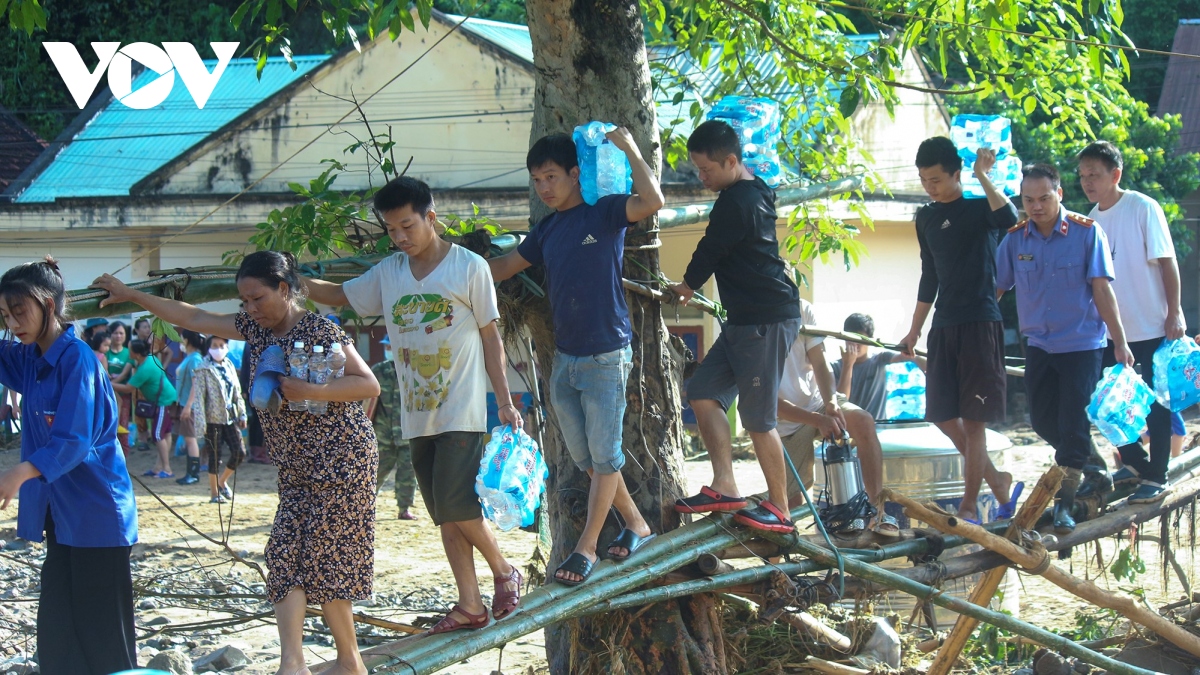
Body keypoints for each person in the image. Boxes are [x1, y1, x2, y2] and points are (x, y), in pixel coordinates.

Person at [92, 250, 381, 675]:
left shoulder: (319, 329)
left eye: (257, 298)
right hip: (297, 466)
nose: (249, 309)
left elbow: (367, 383)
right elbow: (193, 317)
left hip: (342, 461)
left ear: (285, 289)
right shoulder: (253, 328)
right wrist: (129, 293)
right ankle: (293, 664)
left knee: (326, 559)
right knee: (283, 557)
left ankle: (349, 662)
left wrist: (309, 391)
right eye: (243, 301)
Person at [303, 176, 524, 633]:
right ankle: (469, 604)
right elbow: (342, 296)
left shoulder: (469, 267)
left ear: (431, 217)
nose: (400, 237)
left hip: (462, 408)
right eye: (391, 229)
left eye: (407, 226)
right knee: (444, 513)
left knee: (457, 505)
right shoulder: (389, 273)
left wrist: (503, 400)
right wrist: (296, 283)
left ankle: (504, 571)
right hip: (416, 413)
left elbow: (490, 336)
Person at [488, 128, 663, 584]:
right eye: (537, 180)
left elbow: (653, 200)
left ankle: (586, 548)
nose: (544, 187)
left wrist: (629, 149)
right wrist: (440, 261)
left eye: (551, 176)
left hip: (606, 354)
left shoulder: (603, 213)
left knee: (605, 457)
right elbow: (502, 268)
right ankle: (637, 524)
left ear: (574, 173)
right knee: (589, 459)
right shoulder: (546, 229)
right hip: (564, 359)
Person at [0, 257, 138, 675]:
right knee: (57, 633)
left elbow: (74, 440)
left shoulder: (79, 360)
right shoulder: (29, 358)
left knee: (104, 638)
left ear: (48, 303)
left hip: (97, 514)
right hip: (60, 515)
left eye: (19, 311)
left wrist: (18, 474)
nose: (13, 323)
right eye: (5, 316)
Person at [667, 119, 803, 534]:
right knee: (704, 391)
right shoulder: (754, 190)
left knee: (758, 418)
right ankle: (726, 485)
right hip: (742, 321)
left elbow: (711, 249)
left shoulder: (738, 201)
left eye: (706, 170)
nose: (701, 177)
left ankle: (780, 508)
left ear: (731, 161)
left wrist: (687, 286)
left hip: (764, 318)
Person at [996, 163, 1134, 532]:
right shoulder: (1015, 239)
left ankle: (1064, 504)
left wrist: (1119, 341)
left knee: (1073, 423)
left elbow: (1103, 290)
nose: (1036, 206)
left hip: (1082, 343)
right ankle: (1093, 467)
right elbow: (996, 288)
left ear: (1059, 194)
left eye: (1043, 198)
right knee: (1042, 420)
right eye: (1028, 200)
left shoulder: (1087, 234)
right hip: (1039, 343)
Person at [897, 138, 1020, 523]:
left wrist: (983, 175)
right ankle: (998, 481)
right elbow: (928, 276)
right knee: (942, 415)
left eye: (935, 179)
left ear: (956, 173)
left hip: (980, 322)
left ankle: (969, 506)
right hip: (944, 325)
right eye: (923, 180)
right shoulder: (926, 217)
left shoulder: (981, 208)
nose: (929, 186)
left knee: (974, 419)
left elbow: (1010, 218)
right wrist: (913, 331)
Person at [1077, 140, 1184, 504]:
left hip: (1151, 324)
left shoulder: (1142, 207)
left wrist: (1175, 312)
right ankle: (1137, 463)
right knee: (1104, 405)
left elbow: (1167, 261)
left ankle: (1159, 476)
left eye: (1095, 174)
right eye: (1083, 175)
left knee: (1156, 404)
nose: (1088, 181)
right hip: (1108, 332)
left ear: (1115, 174)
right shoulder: (1090, 220)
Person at [776, 299, 896, 535]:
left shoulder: (802, 308)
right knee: (790, 503)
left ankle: (877, 511)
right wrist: (817, 420)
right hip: (784, 422)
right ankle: (779, 565)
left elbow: (820, 363)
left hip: (819, 401)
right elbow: (765, 403)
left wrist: (830, 402)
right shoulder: (749, 318)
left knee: (863, 421)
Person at [831, 313, 924, 421]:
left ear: (870, 340)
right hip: (849, 429)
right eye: (850, 338)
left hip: (878, 427)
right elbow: (840, 403)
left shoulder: (879, 360)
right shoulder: (835, 367)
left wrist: (921, 361)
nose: (854, 344)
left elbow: (908, 356)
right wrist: (848, 365)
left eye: (859, 339)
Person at [193, 335, 248, 504]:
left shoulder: (229, 365)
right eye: (215, 345)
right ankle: (214, 493)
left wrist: (242, 413)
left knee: (239, 452)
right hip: (212, 419)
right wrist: (201, 422)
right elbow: (199, 398)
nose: (219, 349)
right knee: (214, 457)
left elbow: (237, 393)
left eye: (222, 345)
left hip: (230, 417)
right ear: (209, 348)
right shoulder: (203, 368)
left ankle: (222, 481)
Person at [367, 335, 417, 520]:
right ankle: (365, 506)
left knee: (408, 474)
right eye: (386, 346)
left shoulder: (413, 371)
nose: (387, 349)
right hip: (382, 434)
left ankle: (404, 508)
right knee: (374, 473)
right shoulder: (378, 371)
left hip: (407, 434)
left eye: (390, 345)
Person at [128, 338, 178, 478]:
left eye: (130, 349)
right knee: (166, 433)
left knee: (157, 434)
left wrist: (107, 382)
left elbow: (128, 388)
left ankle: (167, 469)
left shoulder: (145, 368)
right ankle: (158, 467)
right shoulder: (149, 358)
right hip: (166, 398)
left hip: (162, 400)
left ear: (136, 354)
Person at [173, 329, 207, 486]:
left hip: (190, 405)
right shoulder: (191, 358)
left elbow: (196, 384)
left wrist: (188, 406)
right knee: (189, 439)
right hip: (185, 403)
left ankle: (193, 473)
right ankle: (191, 472)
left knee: (191, 439)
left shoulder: (194, 359)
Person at [106, 320, 134, 456]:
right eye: (115, 333)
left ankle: (124, 454)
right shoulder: (105, 352)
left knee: (122, 425)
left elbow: (124, 375)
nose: (118, 336)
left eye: (121, 333)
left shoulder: (129, 353)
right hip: (106, 395)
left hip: (123, 394)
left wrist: (110, 383)